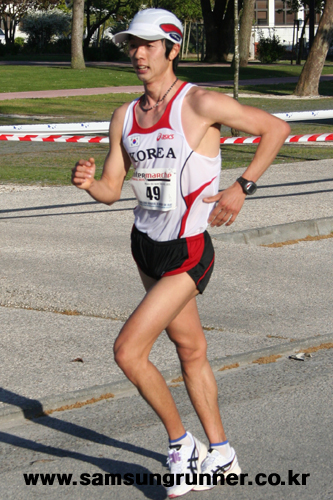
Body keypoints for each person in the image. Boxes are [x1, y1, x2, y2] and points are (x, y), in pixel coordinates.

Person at [71, 8, 290, 497]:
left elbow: (275, 128)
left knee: (128, 352)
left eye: (148, 44)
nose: (138, 54)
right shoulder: (125, 115)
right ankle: (222, 452)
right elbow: (112, 187)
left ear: (172, 47)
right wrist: (89, 184)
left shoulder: (200, 103)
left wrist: (242, 187)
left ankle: (181, 446)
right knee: (190, 350)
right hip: (145, 247)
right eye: (132, 44)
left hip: (189, 250)